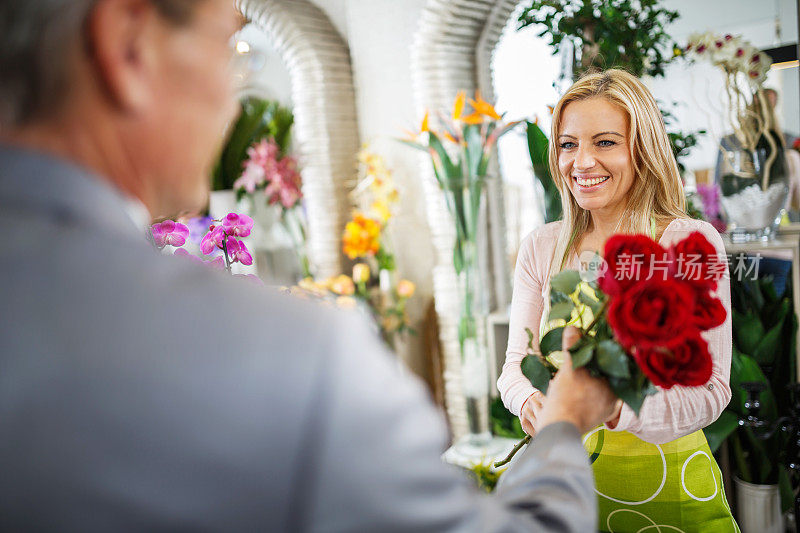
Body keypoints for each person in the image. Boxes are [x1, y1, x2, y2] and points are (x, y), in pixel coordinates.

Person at [0, 0, 620, 530]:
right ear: (127, 45)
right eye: (231, 45)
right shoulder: (290, 355)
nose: (236, 99)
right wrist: (563, 421)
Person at [498, 69, 738, 533]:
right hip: (568, 489)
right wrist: (530, 401)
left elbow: (713, 390)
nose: (582, 162)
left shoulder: (686, 241)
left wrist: (613, 409)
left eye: (605, 142)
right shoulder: (542, 247)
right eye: (568, 144)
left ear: (642, 148)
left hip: (671, 489)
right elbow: (514, 365)